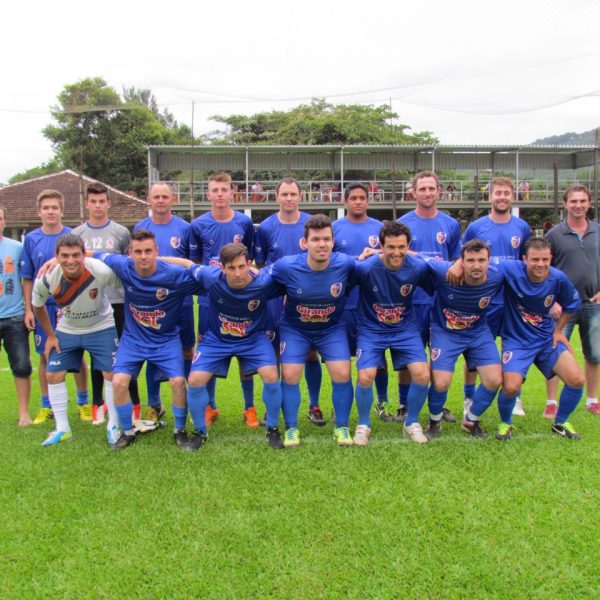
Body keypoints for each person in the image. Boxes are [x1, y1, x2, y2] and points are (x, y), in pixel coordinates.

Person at [161, 243, 286, 450]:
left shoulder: (263, 282)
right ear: (222, 268)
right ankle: (200, 431)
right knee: (194, 380)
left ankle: (272, 429)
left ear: (249, 264)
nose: (237, 273)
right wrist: (154, 260)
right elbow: (186, 263)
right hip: (217, 340)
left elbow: (290, 276)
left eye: (241, 266)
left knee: (272, 375)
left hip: (253, 339)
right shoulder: (211, 277)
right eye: (231, 268)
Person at [94, 229, 202, 450]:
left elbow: (210, 279)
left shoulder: (174, 275)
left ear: (157, 251)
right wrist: (54, 260)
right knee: (118, 382)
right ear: (130, 253)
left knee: (178, 382)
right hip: (133, 340)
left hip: (166, 340)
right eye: (138, 251)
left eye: (148, 251)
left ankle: (179, 431)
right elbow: (89, 254)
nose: (143, 256)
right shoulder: (123, 266)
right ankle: (127, 432)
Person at [269, 214, 357, 447]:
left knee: (342, 373)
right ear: (304, 243)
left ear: (333, 241)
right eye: (316, 239)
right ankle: (291, 428)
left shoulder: (345, 264)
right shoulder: (286, 266)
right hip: (295, 329)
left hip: (331, 329)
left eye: (327, 239)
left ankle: (342, 427)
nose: (322, 244)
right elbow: (256, 279)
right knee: (289, 375)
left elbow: (372, 268)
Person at [31, 234, 120, 446]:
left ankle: (113, 425)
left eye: (75, 255)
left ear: (84, 254)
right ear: (56, 257)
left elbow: (125, 286)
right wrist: (51, 335)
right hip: (67, 329)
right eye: (65, 256)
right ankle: (62, 428)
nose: (70, 260)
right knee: (53, 374)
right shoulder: (46, 277)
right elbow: (37, 305)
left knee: (111, 374)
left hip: (102, 326)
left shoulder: (99, 270)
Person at [496, 238, 584, 440]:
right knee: (511, 387)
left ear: (551, 259)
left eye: (545, 259)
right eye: (535, 259)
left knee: (577, 380)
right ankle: (505, 424)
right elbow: (484, 263)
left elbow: (572, 304)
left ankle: (560, 423)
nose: (540, 264)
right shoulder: (511, 269)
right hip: (517, 341)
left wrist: (558, 330)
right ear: (525, 259)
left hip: (546, 340)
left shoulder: (558, 278)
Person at [353, 221, 432, 445]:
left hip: (404, 329)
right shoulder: (365, 268)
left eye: (401, 247)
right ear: (381, 245)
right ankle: (363, 424)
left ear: (408, 246)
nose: (396, 252)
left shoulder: (417, 267)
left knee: (422, 374)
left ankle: (411, 423)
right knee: (366, 375)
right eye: (390, 247)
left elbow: (440, 273)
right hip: (371, 329)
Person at [255, 177, 324, 426]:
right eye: (284, 194)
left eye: (293, 194)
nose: (289, 199)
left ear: (300, 196)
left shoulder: (310, 224)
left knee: (310, 352)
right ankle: (272, 405)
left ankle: (314, 404)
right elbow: (262, 267)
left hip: (307, 298)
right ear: (277, 197)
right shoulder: (264, 227)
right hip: (275, 301)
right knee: (272, 353)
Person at [190, 172, 257, 428]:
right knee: (207, 350)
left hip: (241, 298)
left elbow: (249, 260)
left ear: (232, 193)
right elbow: (195, 263)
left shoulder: (244, 222)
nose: (220, 194)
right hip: (210, 300)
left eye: (224, 190)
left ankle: (249, 407)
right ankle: (211, 406)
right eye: (215, 190)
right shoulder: (197, 225)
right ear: (208, 194)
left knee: (245, 350)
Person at [461, 177, 531, 417]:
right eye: (497, 193)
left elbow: (527, 262)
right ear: (490, 196)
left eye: (506, 193)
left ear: (513, 196)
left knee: (512, 347)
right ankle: (469, 397)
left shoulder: (522, 227)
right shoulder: (477, 227)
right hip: (484, 299)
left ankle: (516, 397)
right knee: (473, 348)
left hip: (512, 299)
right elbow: (465, 260)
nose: (502, 197)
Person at [72, 182, 140, 424]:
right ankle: (98, 405)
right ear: (87, 203)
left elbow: (128, 268)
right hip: (91, 305)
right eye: (94, 201)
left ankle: (133, 405)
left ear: (109, 203)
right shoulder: (77, 234)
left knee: (126, 354)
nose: (98, 205)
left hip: (119, 302)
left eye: (102, 201)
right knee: (97, 358)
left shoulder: (121, 233)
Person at [398, 171, 461, 423]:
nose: (426, 193)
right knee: (407, 356)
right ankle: (403, 404)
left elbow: (456, 262)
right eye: (421, 189)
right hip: (410, 299)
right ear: (413, 192)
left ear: (438, 191)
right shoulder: (403, 223)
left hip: (440, 300)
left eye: (431, 189)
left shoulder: (451, 224)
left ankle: (439, 405)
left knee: (439, 355)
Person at [424, 239, 504, 439]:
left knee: (494, 380)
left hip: (478, 332)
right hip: (445, 332)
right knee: (441, 382)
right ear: (462, 261)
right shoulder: (444, 271)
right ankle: (434, 421)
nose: (476, 266)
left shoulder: (499, 275)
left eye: (481, 260)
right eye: (470, 260)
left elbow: (534, 266)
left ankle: (471, 420)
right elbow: (415, 257)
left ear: (489, 261)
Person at [21, 189, 89, 425]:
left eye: (55, 207)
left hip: (70, 304)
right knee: (45, 355)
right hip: (44, 307)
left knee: (78, 354)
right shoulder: (31, 239)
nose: (51, 211)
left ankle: (83, 403)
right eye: (46, 208)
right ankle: (46, 405)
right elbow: (28, 277)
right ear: (39, 211)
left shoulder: (73, 234)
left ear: (62, 210)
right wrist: (29, 309)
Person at [134, 182, 195, 424]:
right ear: (148, 199)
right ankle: (154, 405)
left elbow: (192, 263)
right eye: (156, 196)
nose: (160, 200)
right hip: (151, 304)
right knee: (151, 351)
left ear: (173, 199)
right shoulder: (140, 228)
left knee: (187, 349)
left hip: (181, 301)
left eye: (165, 196)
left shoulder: (185, 228)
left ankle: (189, 402)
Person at [332, 183, 390, 419]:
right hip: (344, 301)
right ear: (345, 201)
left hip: (374, 302)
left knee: (378, 357)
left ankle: (383, 402)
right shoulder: (334, 228)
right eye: (353, 198)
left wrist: (376, 253)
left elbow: (395, 256)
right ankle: (341, 407)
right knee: (341, 358)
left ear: (368, 200)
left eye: (362, 198)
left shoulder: (380, 228)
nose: (358, 201)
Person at [545, 184, 600, 417]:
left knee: (595, 353)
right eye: (573, 201)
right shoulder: (554, 235)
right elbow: (544, 269)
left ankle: (593, 400)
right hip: (563, 307)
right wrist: (552, 301)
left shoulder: (598, 231)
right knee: (555, 352)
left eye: (583, 201)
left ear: (589, 204)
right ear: (565, 203)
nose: (578, 205)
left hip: (592, 302)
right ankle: (551, 402)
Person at [0, 207, 32, 425]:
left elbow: (27, 280)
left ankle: (24, 414)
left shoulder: (18, 248)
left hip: (14, 317)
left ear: (4, 221)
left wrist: (29, 310)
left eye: (0, 218)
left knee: (21, 366)